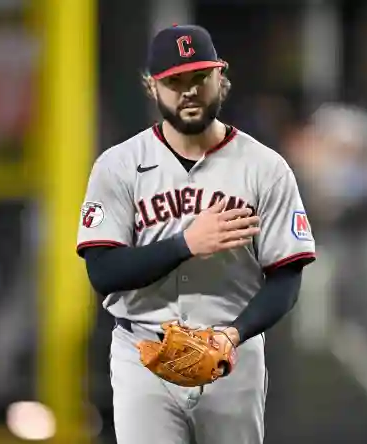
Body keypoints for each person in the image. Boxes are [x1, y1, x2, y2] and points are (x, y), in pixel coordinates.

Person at [77, 24, 316, 444]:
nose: (188, 90)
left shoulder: (265, 168)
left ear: (220, 79)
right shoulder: (118, 166)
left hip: (232, 355)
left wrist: (234, 333)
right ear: (152, 86)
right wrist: (186, 243)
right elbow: (103, 272)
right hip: (143, 357)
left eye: (199, 78)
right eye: (174, 81)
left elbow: (287, 275)